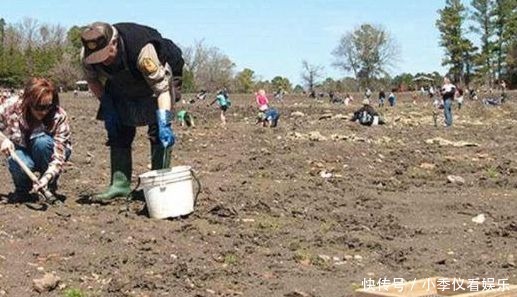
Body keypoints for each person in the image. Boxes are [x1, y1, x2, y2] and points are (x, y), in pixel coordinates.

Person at [80, 22, 184, 201]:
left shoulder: (143, 51)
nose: (103, 60)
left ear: (114, 43)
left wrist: (164, 120)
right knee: (118, 129)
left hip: (160, 76)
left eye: (105, 54)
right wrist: (107, 105)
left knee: (158, 130)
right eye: (97, 57)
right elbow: (93, 81)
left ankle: (158, 185)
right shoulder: (87, 55)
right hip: (122, 82)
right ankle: (120, 185)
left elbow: (161, 90)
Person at [0, 78, 72, 201]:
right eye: (39, 107)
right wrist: (3, 140)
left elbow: (59, 155)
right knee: (14, 158)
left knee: (41, 142)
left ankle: (49, 187)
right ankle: (22, 190)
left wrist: (47, 177)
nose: (44, 111)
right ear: (28, 101)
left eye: (48, 106)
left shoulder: (59, 115)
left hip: (47, 151)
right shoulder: (11, 106)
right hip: (21, 150)